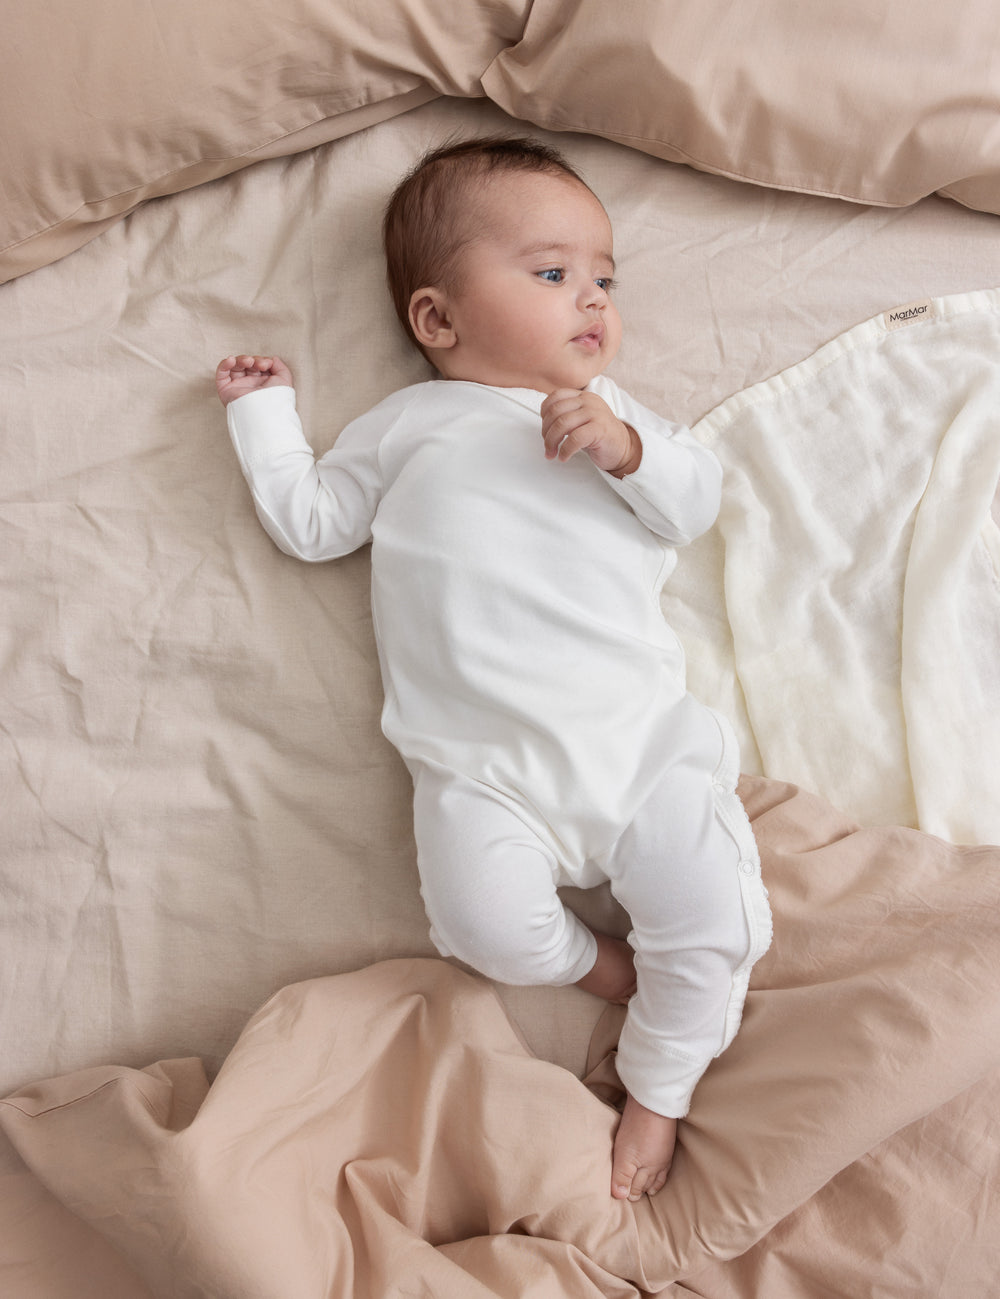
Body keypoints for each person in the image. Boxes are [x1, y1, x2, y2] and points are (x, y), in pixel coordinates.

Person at [215, 136, 772, 1203]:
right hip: (479, 766)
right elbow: (313, 522)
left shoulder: (619, 417)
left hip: (634, 744)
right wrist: (264, 415)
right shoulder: (407, 425)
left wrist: (626, 449)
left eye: (605, 278)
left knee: (714, 920)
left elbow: (695, 503)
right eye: (553, 272)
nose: (593, 300)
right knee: (479, 923)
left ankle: (659, 1087)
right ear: (437, 319)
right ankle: (602, 970)